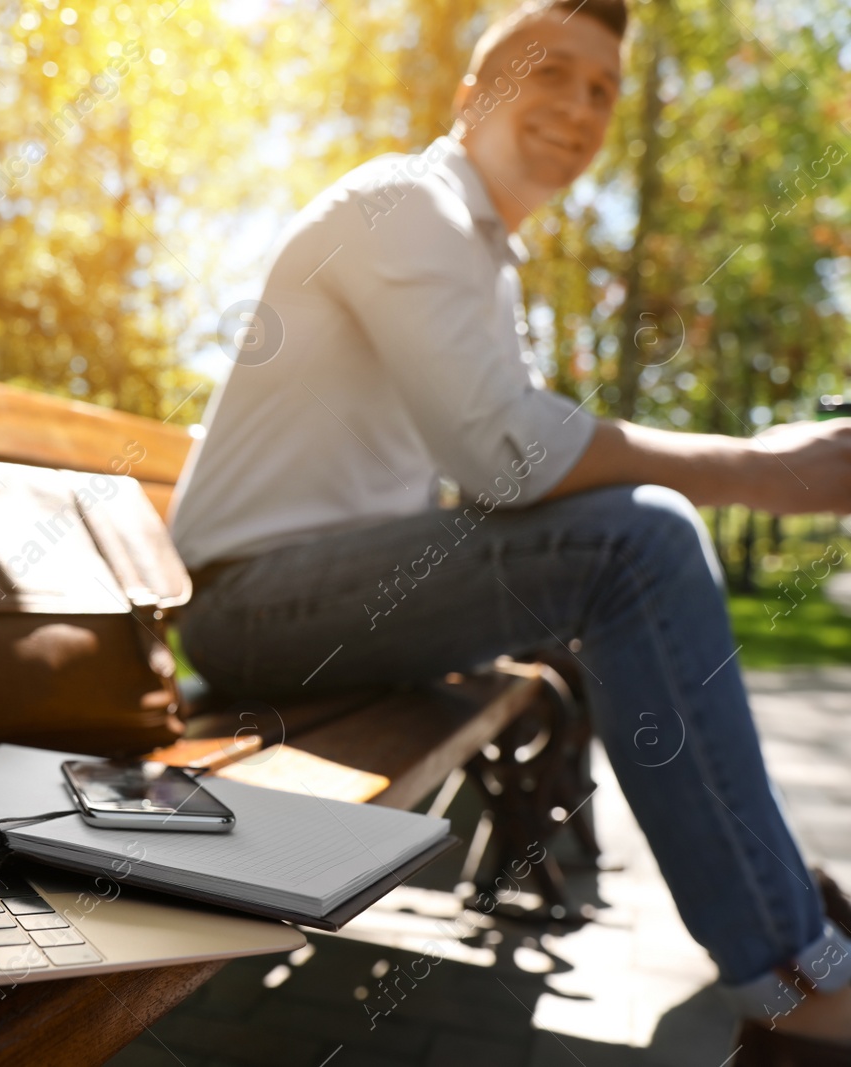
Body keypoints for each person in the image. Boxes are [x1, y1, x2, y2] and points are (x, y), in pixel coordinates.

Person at [168, 0, 851, 1060]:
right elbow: (507, 453)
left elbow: (504, 478)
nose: (580, 105)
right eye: (550, 71)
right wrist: (763, 467)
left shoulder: (482, 257)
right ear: (469, 95)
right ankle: (794, 970)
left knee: (620, 546)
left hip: (325, 597)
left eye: (602, 89)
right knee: (640, 540)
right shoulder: (406, 205)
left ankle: (781, 904)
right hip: (253, 605)